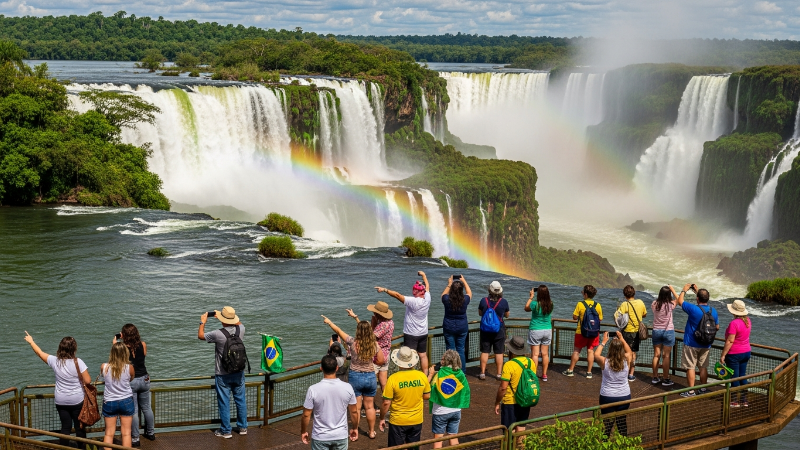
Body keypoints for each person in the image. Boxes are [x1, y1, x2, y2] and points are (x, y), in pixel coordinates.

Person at [323, 315, 385, 439]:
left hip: (355, 376)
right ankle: (372, 432)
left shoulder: (352, 341)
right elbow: (381, 360)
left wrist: (329, 322)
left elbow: (339, 331)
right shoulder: (374, 345)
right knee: (369, 406)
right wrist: (373, 364)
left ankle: (355, 430)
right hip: (370, 376)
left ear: (358, 331)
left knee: (356, 407)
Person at [24, 333, 91, 447]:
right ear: (74, 348)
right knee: (79, 427)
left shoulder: (55, 361)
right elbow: (88, 380)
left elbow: (39, 353)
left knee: (65, 428)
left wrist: (31, 342)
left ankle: (63, 448)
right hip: (77, 400)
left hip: (61, 400)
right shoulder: (78, 362)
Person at [199, 306, 248, 438]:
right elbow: (239, 323)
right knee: (240, 400)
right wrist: (226, 317)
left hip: (222, 374)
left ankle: (226, 431)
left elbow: (201, 336)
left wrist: (203, 321)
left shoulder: (217, 333)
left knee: (224, 402)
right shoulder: (241, 329)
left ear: (222, 320)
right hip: (239, 372)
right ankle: (243, 427)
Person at [375, 270, 432, 374]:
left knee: (410, 356)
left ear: (417, 292)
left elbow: (397, 295)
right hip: (423, 332)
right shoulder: (427, 299)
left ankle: (411, 376)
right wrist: (424, 275)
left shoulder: (413, 301)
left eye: (415, 290)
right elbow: (427, 286)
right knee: (423, 355)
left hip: (411, 334)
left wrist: (385, 290)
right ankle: (425, 375)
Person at [301, 355, 359, 450]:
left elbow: (306, 415)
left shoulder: (313, 389)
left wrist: (303, 431)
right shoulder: (348, 387)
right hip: (340, 435)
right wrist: (355, 428)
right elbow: (354, 412)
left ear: (321, 369)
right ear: (337, 368)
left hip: (320, 436)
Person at [379, 346, 431, 447]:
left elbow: (386, 402)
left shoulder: (393, 379)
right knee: (413, 447)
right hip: (416, 419)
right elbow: (427, 396)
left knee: (396, 448)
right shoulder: (421, 376)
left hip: (398, 421)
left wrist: (382, 418)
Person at [675, 283, 719, 397]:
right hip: (706, 343)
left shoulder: (693, 309)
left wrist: (684, 290)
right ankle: (703, 389)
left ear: (697, 298)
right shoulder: (713, 311)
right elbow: (717, 327)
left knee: (691, 367)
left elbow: (680, 301)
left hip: (691, 343)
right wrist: (697, 292)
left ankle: (691, 391)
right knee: (703, 367)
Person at [117, 324, 155, 447]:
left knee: (133, 411)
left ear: (124, 335)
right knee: (146, 407)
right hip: (145, 378)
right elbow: (143, 356)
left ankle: (135, 438)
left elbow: (115, 349)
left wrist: (117, 338)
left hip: (131, 380)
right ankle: (151, 433)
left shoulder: (122, 348)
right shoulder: (143, 344)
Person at [346, 300, 394, 391]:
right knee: (384, 382)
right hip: (386, 353)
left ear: (378, 314)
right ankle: (386, 400)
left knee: (367, 379)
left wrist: (358, 319)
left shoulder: (382, 325)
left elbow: (367, 335)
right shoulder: (390, 322)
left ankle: (366, 401)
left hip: (377, 355)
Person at [427, 350, 470, 449]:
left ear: (445, 361)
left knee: (438, 441)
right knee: (453, 437)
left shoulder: (440, 374)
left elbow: (428, 388)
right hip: (456, 410)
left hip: (440, 412)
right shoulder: (460, 374)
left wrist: (430, 374)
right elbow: (465, 390)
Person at [593, 331, 633, 437]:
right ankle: (623, 444)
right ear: (621, 350)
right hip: (624, 396)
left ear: (610, 349)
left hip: (607, 396)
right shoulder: (626, 360)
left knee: (607, 424)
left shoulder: (604, 361)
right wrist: (622, 339)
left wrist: (603, 342)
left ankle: (605, 443)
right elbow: (630, 352)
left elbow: (595, 355)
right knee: (621, 422)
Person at [495, 336, 536, 437]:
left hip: (510, 401)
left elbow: (503, 387)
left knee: (508, 432)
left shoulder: (509, 365)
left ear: (511, 350)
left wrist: (497, 402)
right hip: (525, 400)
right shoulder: (531, 362)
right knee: (522, 430)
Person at [101, 342, 136, 449]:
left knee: (108, 433)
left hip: (109, 401)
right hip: (126, 400)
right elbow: (131, 379)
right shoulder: (129, 367)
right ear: (125, 353)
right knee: (126, 433)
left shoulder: (104, 367)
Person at [563, 285, 603, 378]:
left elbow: (574, 317)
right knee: (590, 351)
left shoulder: (580, 304)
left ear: (585, 294)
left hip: (581, 331)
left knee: (577, 351)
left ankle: (571, 370)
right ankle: (589, 372)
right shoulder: (598, 305)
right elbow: (600, 318)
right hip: (593, 332)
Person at [721, 300, 752, 407]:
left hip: (734, 353)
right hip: (746, 351)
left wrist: (723, 355)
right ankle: (744, 400)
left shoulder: (734, 323)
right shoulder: (748, 321)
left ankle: (734, 401)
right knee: (742, 376)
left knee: (734, 377)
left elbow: (730, 341)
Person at [478, 281, 510, 380]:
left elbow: (480, 313)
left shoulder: (483, 301)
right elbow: (507, 315)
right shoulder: (503, 302)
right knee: (499, 352)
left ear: (489, 290)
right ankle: (499, 374)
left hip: (485, 330)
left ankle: (482, 373)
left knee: (485, 351)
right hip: (499, 330)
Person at [615, 285, 647, 382]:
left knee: (625, 352)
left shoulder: (624, 304)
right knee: (633, 352)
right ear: (634, 293)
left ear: (625, 295)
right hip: (637, 332)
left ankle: (624, 373)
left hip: (627, 332)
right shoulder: (640, 302)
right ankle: (631, 374)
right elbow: (644, 314)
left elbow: (617, 316)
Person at [441, 275, 472, 367]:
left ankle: (450, 370)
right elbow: (469, 292)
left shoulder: (446, 299)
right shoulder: (465, 300)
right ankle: (462, 371)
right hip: (462, 326)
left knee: (450, 350)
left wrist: (450, 283)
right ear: (461, 290)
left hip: (449, 326)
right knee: (460, 349)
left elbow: (443, 294)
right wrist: (464, 281)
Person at [525, 285, 553, 381]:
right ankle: (544, 375)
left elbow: (526, 308)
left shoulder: (535, 304)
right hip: (548, 330)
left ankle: (533, 375)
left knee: (535, 354)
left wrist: (531, 297)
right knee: (545, 354)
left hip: (536, 329)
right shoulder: (551, 304)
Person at [651, 286, 678, 386]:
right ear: (668, 294)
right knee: (666, 356)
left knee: (656, 355)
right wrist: (673, 290)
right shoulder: (670, 304)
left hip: (656, 331)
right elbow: (680, 300)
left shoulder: (654, 304)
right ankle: (666, 379)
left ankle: (655, 377)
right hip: (668, 331)